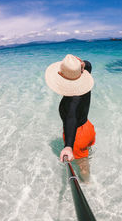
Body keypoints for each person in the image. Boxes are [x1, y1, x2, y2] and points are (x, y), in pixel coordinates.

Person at [45, 54, 96, 182]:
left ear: (61, 76)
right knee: (85, 155)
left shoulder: (71, 102)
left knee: (82, 164)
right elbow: (88, 65)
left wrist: (68, 146)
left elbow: (71, 120)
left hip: (77, 136)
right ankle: (85, 155)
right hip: (88, 127)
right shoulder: (83, 84)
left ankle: (87, 183)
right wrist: (83, 64)